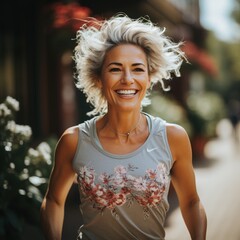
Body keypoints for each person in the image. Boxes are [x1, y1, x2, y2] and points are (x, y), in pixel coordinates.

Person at [40, 14, 207, 240]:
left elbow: (191, 202)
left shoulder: (173, 138)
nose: (127, 79)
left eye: (138, 69)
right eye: (115, 69)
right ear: (99, 78)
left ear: (150, 77)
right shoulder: (73, 140)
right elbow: (54, 200)